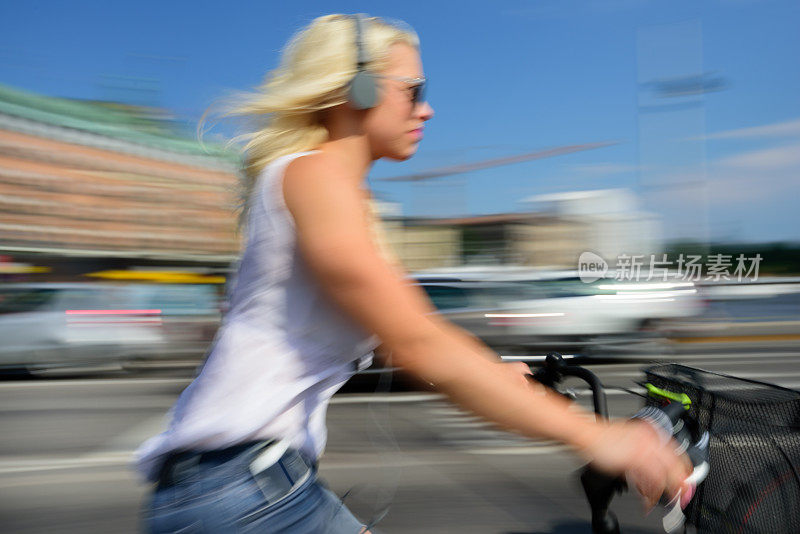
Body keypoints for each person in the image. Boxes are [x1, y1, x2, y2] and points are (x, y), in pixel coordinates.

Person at [135, 13, 692, 533]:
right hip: (243, 489)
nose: (426, 109)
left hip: (245, 484)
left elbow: (404, 337)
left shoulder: (325, 190)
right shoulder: (314, 177)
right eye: (414, 91)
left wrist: (495, 372)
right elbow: (419, 342)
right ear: (359, 88)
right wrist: (602, 438)